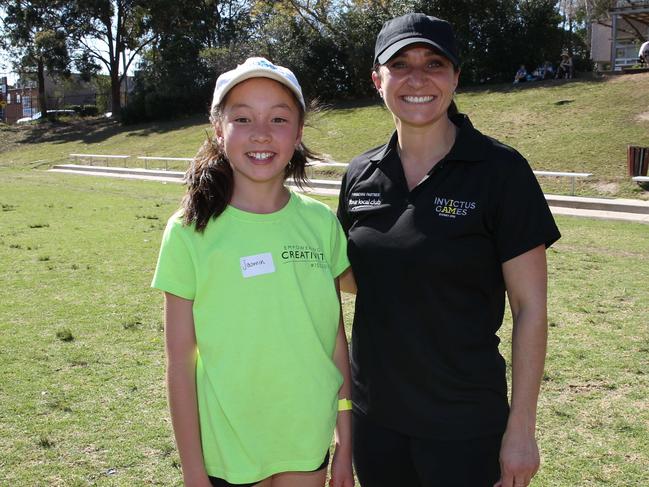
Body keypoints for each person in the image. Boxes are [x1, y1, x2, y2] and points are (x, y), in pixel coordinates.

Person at [337, 13, 561, 487]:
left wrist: (521, 430)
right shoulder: (359, 175)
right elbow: (354, 279)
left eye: (434, 63)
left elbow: (530, 308)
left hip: (465, 426)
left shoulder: (501, 171)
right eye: (400, 64)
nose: (417, 78)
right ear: (378, 80)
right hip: (376, 420)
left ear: (456, 77)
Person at [152, 57, 354, 487]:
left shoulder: (321, 225)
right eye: (242, 118)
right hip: (226, 452)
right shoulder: (189, 231)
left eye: (278, 118)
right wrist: (192, 473)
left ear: (298, 132)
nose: (261, 133)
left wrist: (346, 443)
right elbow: (179, 364)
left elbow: (334, 342)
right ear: (218, 128)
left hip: (306, 441)